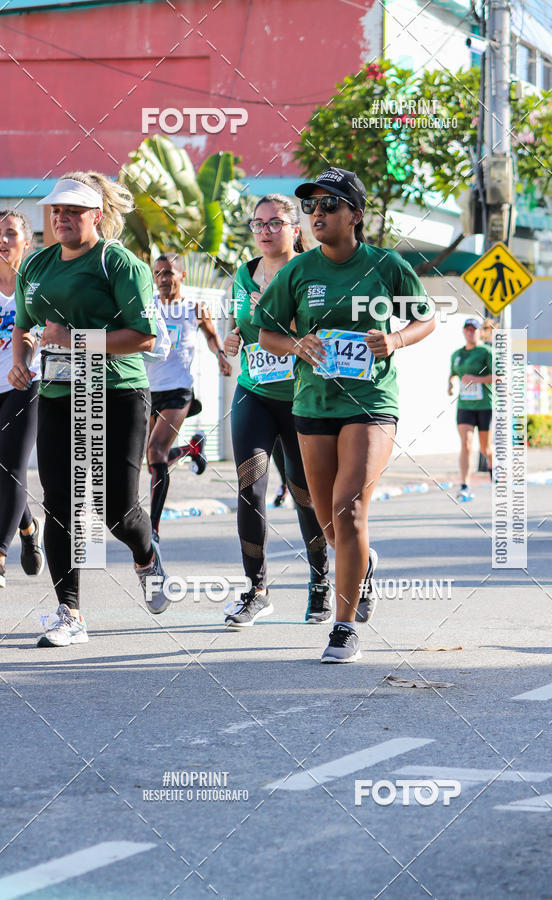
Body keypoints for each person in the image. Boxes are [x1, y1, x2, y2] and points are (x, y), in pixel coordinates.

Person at [255, 168, 435, 662]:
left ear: (355, 214)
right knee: (328, 517)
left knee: (349, 506)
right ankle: (363, 562)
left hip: (371, 402)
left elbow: (426, 317)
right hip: (313, 403)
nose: (318, 214)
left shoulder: (386, 265)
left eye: (330, 205)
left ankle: (344, 626)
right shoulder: (298, 271)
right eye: (312, 207)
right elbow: (262, 331)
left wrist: (393, 339)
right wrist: (296, 343)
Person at [10, 172, 169, 647]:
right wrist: (21, 363)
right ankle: (69, 612)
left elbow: (145, 336)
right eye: (56, 211)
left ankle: (146, 553)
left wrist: (78, 340)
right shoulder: (35, 267)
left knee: (117, 509)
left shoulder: (118, 264)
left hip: (118, 393)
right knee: (60, 504)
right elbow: (25, 326)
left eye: (74, 211)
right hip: (59, 396)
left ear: (97, 216)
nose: (62, 218)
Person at [224, 193, 330, 626]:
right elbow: (241, 325)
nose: (266, 231)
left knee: (306, 496)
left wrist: (279, 319)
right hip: (254, 392)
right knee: (249, 488)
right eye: (258, 224)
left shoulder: (311, 272)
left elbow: (315, 330)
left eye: (275, 223)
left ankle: (321, 584)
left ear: (294, 229)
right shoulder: (244, 274)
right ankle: (256, 589)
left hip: (302, 398)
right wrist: (233, 336)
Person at [146, 253, 232, 543]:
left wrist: (220, 355)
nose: (163, 279)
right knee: (151, 459)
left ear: (182, 275)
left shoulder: (193, 307)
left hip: (179, 390)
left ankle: (152, 529)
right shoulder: (149, 307)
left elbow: (210, 335)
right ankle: (192, 448)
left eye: (169, 273)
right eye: (158, 273)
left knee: (156, 451)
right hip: (149, 389)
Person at [0, 210, 44, 588]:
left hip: (27, 383)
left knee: (13, 466)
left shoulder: (38, 286)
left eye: (11, 234)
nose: (2, 241)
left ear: (26, 244)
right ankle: (29, 527)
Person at [448, 318, 494, 501]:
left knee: (485, 448)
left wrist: (476, 379)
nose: (470, 332)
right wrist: (450, 384)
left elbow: (498, 376)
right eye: (467, 329)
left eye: (473, 330)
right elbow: (453, 373)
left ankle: (493, 472)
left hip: (484, 405)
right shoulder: (457, 354)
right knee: (466, 444)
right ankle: (465, 485)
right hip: (465, 406)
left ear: (480, 332)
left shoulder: (486, 352)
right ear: (463, 332)